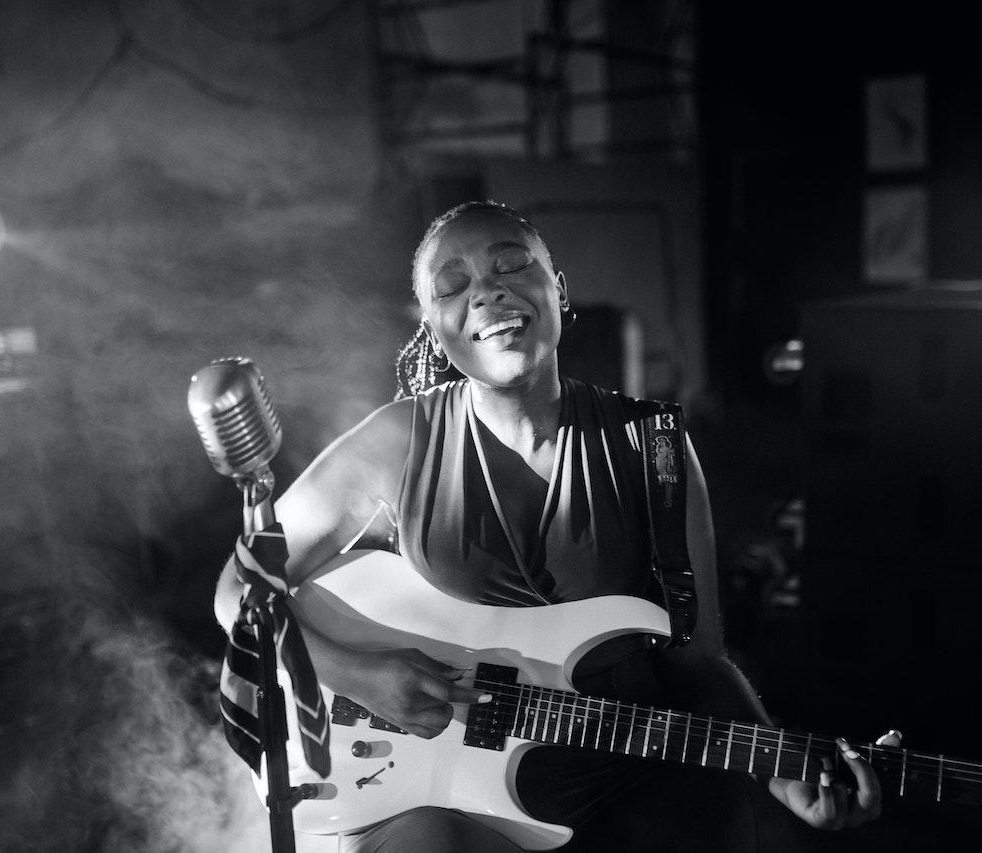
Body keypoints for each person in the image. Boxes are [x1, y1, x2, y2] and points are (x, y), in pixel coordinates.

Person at [213, 200, 890, 851]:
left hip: (625, 782)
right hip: (443, 799)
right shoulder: (398, 441)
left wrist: (775, 761)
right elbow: (237, 591)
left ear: (558, 289)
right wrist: (353, 671)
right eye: (455, 286)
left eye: (511, 266)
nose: (488, 294)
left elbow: (699, 660)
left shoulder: (650, 445)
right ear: (433, 327)